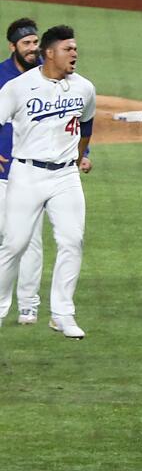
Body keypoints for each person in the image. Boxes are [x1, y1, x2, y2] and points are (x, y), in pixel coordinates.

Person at [0, 25, 95, 338]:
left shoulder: (84, 88)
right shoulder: (19, 86)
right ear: (49, 53)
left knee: (72, 241)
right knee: (14, 244)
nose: (75, 54)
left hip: (66, 175)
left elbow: (86, 128)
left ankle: (62, 314)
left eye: (76, 49)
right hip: (26, 174)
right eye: (69, 49)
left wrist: (78, 156)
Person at [0, 19, 48, 325]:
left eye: (35, 42)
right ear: (13, 46)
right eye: (26, 43)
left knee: (31, 239)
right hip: (3, 174)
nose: (32, 49)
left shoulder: (49, 75)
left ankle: (28, 304)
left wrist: (84, 154)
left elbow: (70, 114)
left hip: (34, 175)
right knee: (8, 239)